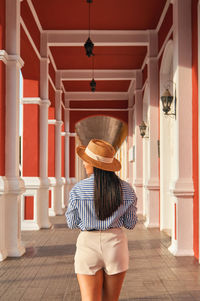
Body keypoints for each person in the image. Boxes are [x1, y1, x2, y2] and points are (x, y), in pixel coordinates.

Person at [65, 139, 137, 301]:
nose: (84, 164)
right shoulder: (126, 189)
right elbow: (130, 224)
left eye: (87, 161)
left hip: (87, 244)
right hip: (115, 245)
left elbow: (71, 223)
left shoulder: (78, 189)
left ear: (94, 164)